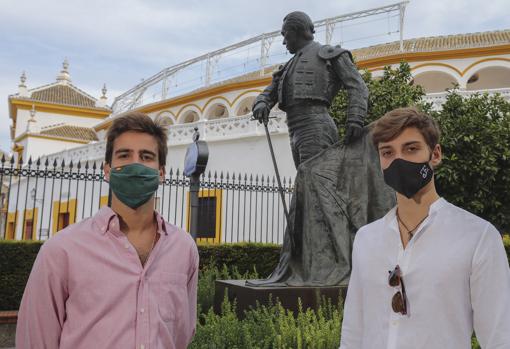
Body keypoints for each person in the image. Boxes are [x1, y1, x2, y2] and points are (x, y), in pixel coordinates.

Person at [16, 112, 199, 349]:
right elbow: (35, 341)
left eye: (146, 156)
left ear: (161, 173)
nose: (135, 164)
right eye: (124, 155)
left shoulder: (184, 249)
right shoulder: (61, 251)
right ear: (107, 170)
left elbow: (182, 334)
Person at [340, 107, 510, 348]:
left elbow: (499, 337)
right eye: (387, 152)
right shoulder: (366, 239)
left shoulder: (478, 237)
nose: (398, 160)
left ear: (435, 154)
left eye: (411, 149)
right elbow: (353, 333)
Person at [252, 11, 368, 168]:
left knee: (315, 182)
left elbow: (357, 86)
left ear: (297, 31)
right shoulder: (287, 67)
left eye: (285, 35)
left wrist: (355, 118)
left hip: (316, 124)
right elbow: (268, 93)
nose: (284, 42)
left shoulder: (329, 54)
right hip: (293, 128)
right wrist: (261, 103)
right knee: (304, 182)